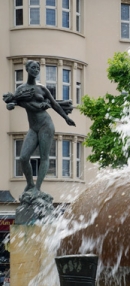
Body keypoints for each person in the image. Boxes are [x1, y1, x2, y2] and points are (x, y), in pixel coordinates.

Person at [3, 60, 75, 193]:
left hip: (45, 125)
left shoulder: (42, 89)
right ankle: (30, 184)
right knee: (23, 158)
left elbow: (54, 104)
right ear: (27, 69)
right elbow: (14, 102)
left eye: (37, 68)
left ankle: (37, 188)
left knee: (44, 156)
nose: (36, 70)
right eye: (33, 68)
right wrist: (11, 105)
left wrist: (66, 118)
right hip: (33, 127)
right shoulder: (20, 90)